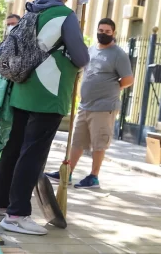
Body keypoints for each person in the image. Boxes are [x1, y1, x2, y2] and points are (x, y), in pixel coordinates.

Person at [0, 0, 90, 236]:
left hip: (22, 89)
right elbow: (81, 57)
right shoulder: (65, 15)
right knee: (33, 153)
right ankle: (17, 215)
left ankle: (0, 205)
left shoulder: (31, 10)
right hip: (48, 93)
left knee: (14, 149)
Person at [46, 18, 134, 189]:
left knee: (99, 143)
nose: (103, 34)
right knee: (77, 141)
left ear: (113, 33)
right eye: (101, 30)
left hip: (104, 107)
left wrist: (111, 89)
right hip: (85, 105)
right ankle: (67, 172)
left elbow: (128, 80)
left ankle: (94, 177)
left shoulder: (118, 54)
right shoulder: (91, 50)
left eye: (107, 31)